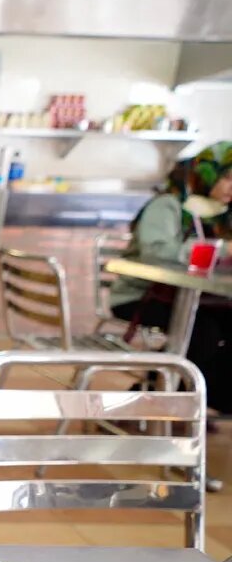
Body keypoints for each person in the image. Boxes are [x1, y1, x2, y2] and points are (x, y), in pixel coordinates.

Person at [110, 142, 232, 417]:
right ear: (205, 173)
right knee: (201, 331)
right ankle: (153, 399)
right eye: (226, 177)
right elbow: (156, 252)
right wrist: (221, 249)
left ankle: (207, 399)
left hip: (207, 299)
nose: (231, 187)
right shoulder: (169, 205)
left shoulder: (223, 216)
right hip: (141, 297)